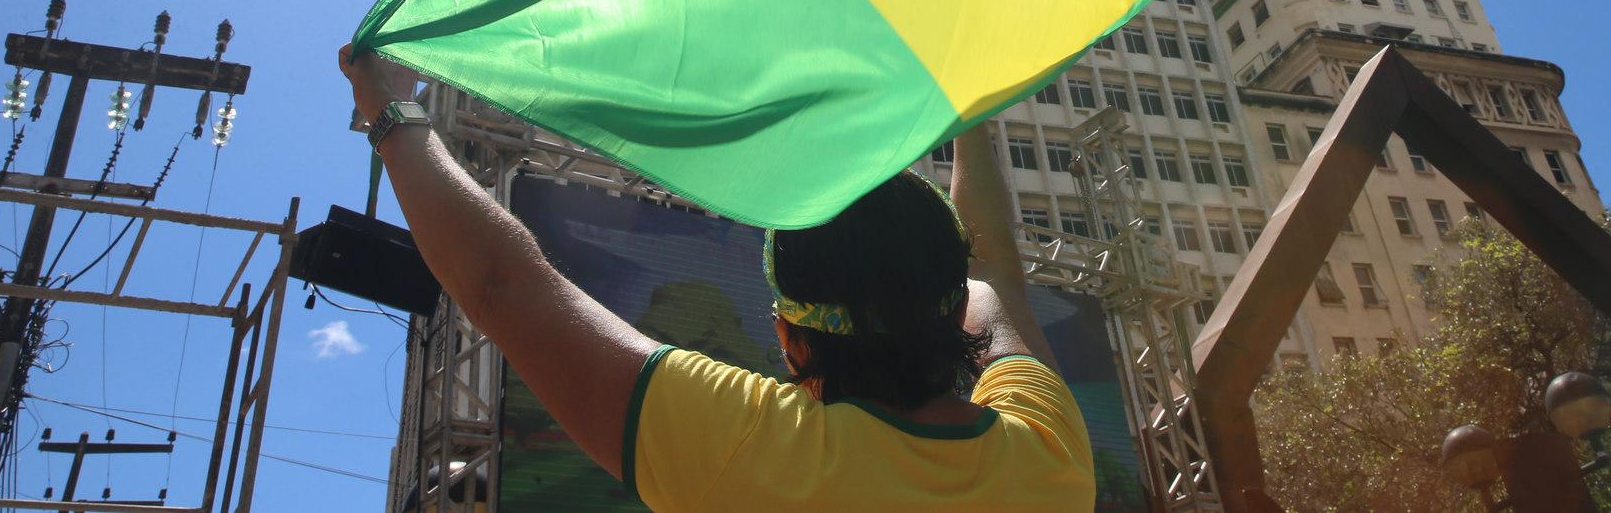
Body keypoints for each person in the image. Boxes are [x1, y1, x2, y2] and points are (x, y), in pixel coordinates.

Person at [340, 44, 1096, 511]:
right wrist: (969, 103)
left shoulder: (760, 460)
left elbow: (505, 286)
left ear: (790, 342)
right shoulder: (1047, 455)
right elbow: (994, 272)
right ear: (957, 314)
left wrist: (387, 104)